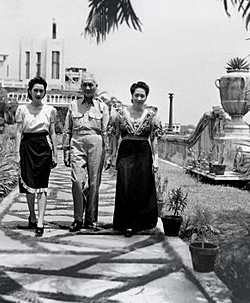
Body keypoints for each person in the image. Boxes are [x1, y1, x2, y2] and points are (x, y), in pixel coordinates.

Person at [106, 81, 163, 237]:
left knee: (142, 186)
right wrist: (112, 155)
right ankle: (126, 223)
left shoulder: (152, 114)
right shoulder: (120, 112)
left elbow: (154, 138)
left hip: (144, 152)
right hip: (126, 151)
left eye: (142, 95)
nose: (139, 98)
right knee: (125, 185)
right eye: (136, 95)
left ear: (146, 97)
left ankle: (142, 223)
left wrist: (156, 159)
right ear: (131, 96)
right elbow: (115, 135)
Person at [63, 72, 109, 232]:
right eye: (85, 85)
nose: (88, 88)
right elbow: (67, 129)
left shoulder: (102, 107)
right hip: (77, 142)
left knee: (94, 182)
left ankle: (91, 220)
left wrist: (108, 153)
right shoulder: (73, 105)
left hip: (96, 142)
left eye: (91, 85)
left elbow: (106, 132)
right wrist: (66, 149)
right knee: (77, 181)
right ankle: (77, 219)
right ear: (81, 87)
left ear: (96, 87)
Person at [15, 76, 58, 237]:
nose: (38, 93)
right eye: (35, 90)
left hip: (43, 146)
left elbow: (53, 132)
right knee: (29, 184)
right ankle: (32, 216)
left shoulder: (50, 110)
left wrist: (55, 153)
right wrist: (17, 153)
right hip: (27, 145)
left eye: (41, 91)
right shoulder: (22, 109)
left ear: (45, 92)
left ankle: (40, 221)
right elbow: (18, 132)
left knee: (42, 185)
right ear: (30, 92)